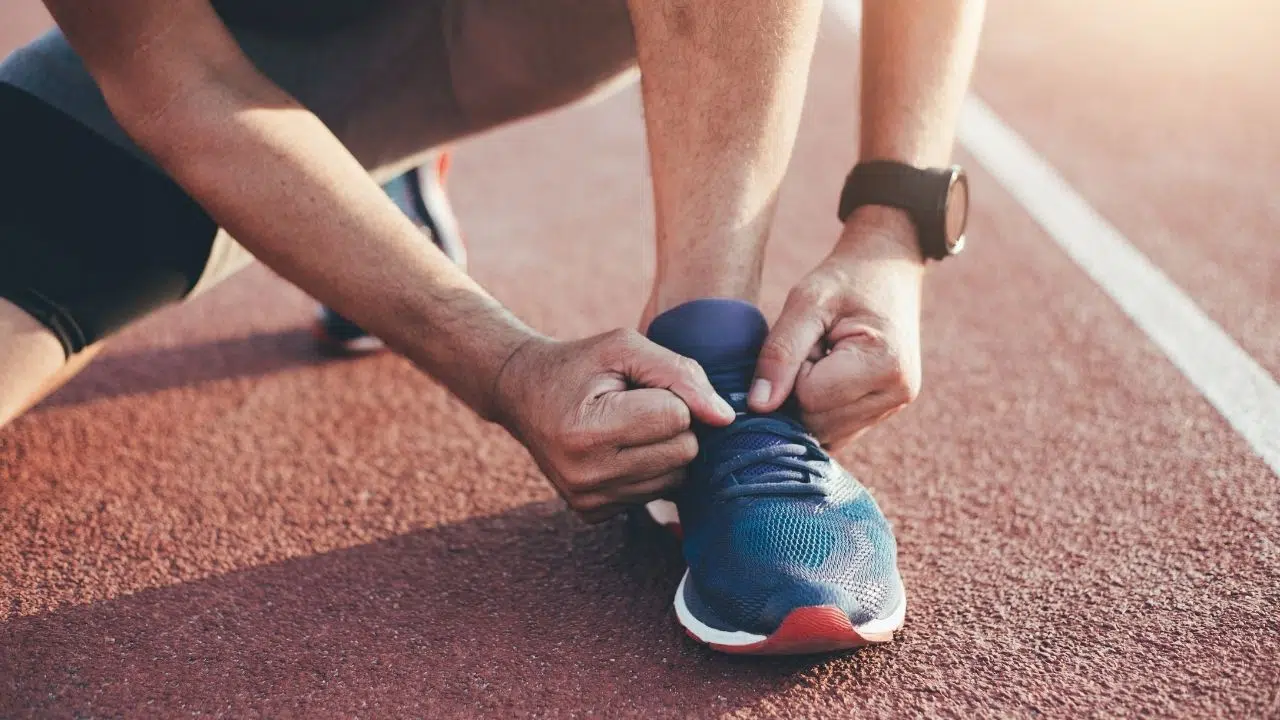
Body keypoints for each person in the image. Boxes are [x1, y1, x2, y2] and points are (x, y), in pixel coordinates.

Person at [0, 0, 985, 654]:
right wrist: (504, 366)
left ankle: (712, 361)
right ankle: (367, 200)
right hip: (247, 51)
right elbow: (179, 84)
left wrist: (893, 224)